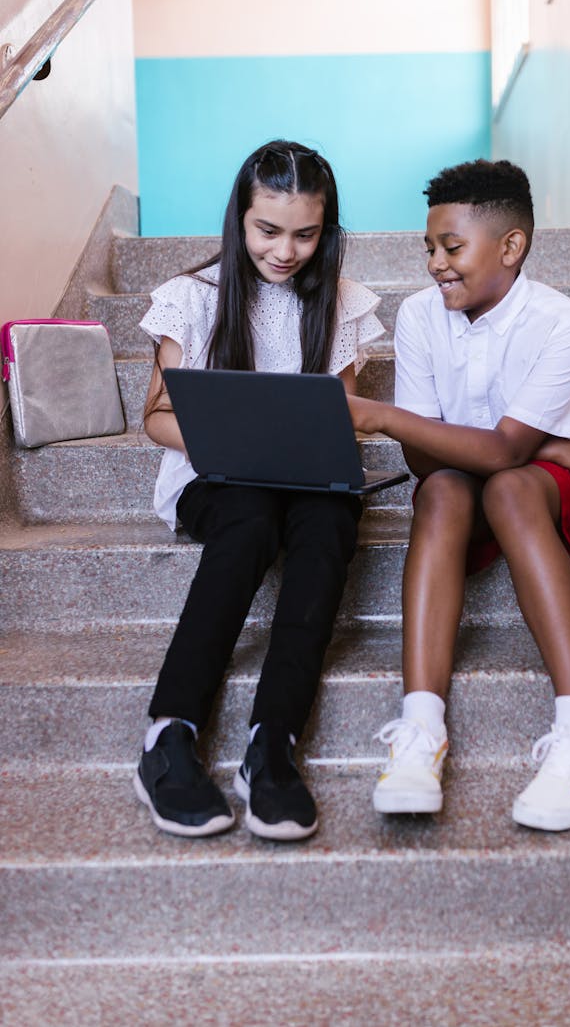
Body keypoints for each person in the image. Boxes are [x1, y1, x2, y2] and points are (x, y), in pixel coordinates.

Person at [347, 158, 570, 832]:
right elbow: (422, 456)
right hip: (480, 472)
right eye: (429, 248)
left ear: (511, 246)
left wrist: (381, 414)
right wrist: (550, 440)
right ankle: (420, 731)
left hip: (542, 490)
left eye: (452, 247)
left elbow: (500, 455)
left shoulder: (565, 322)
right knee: (440, 494)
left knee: (508, 487)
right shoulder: (418, 315)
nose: (436, 263)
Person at [133, 140, 384, 841]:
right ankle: (169, 733)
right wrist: (230, 444)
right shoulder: (193, 297)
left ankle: (273, 742)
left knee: (331, 514)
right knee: (248, 515)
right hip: (211, 477)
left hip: (302, 477)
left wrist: (304, 444)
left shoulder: (339, 301)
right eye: (267, 230)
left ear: (326, 230)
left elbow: (343, 417)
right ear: (239, 220)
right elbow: (156, 415)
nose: (285, 250)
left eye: (306, 234)